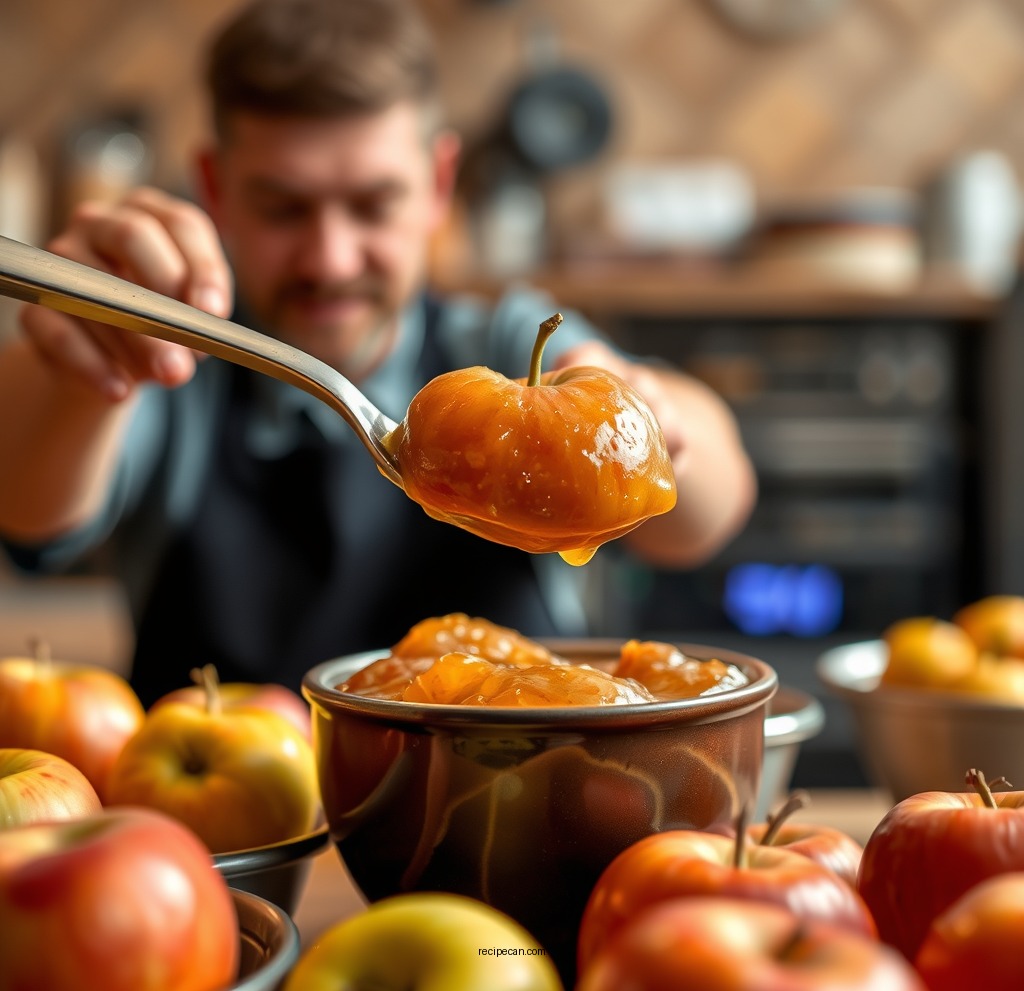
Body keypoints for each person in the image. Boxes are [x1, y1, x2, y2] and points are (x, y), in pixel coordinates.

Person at [0, 0, 756, 705]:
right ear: (216, 189)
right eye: (283, 207)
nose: (330, 259)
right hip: (234, 840)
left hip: (518, 817)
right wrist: (86, 363)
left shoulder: (499, 340)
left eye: (372, 205)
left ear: (436, 185)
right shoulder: (171, 358)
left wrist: (647, 426)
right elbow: (30, 512)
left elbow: (708, 512)